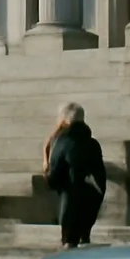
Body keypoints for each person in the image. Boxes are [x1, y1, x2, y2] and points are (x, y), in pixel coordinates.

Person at [44, 103, 107, 249]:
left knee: (69, 247)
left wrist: (46, 170)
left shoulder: (63, 142)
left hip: (69, 211)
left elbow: (53, 178)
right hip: (90, 207)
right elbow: (100, 178)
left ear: (64, 120)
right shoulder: (93, 144)